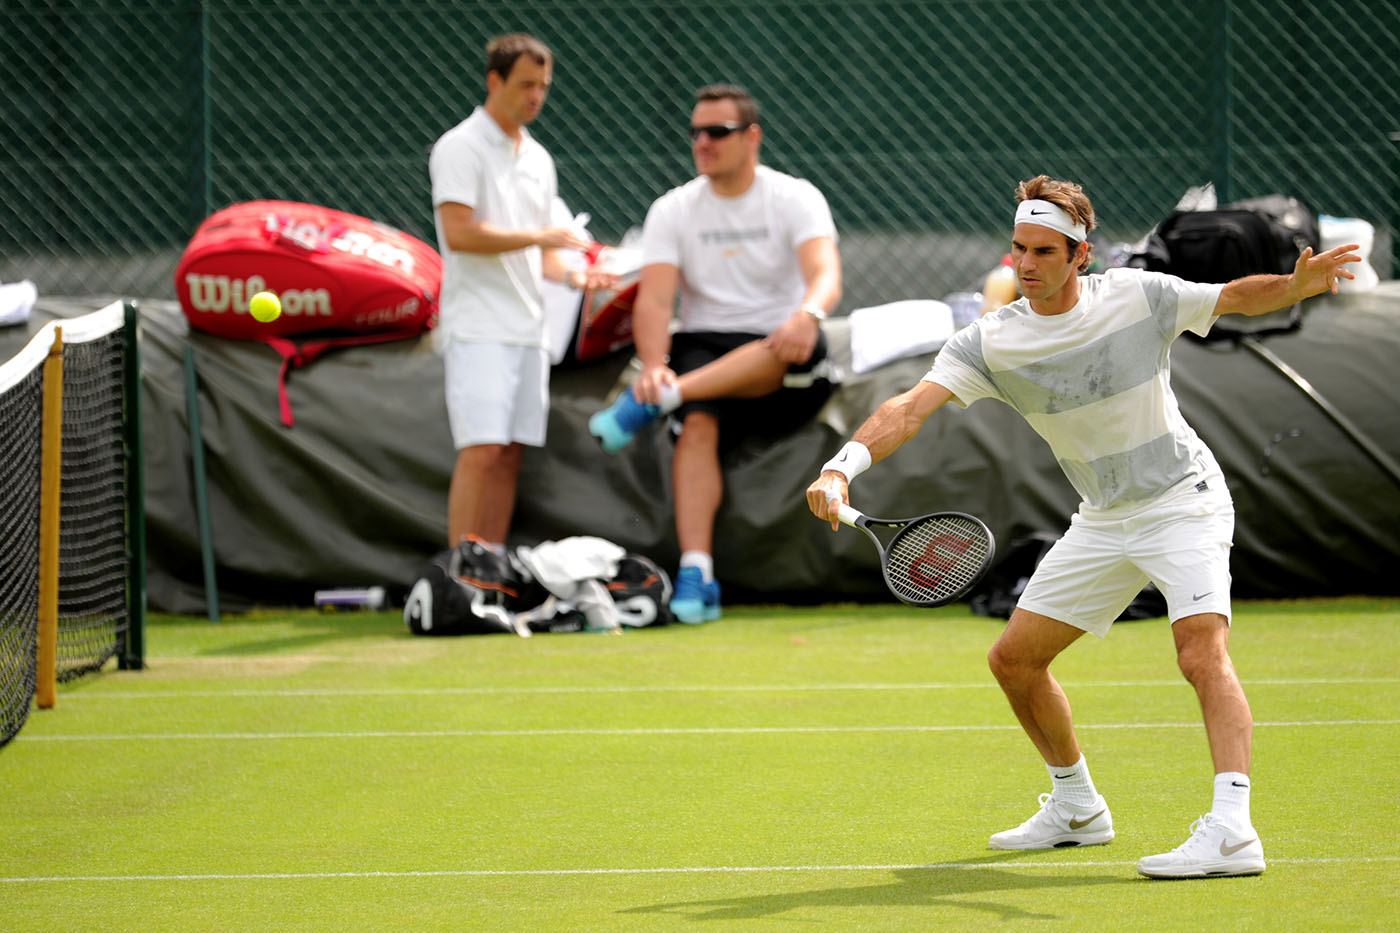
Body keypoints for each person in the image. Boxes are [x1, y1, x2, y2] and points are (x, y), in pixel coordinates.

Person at [807, 175, 1361, 879]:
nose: (1027, 264)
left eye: (1044, 250)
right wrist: (840, 466)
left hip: (1181, 499)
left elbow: (1230, 298)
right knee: (1014, 659)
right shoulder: (992, 340)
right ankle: (1077, 806)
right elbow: (910, 407)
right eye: (1017, 249)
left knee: (1199, 652)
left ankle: (1232, 826)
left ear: (1082, 257)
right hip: (1103, 518)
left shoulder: (1138, 295)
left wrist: (1295, 284)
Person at [588, 84, 842, 624]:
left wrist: (808, 314)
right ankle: (696, 572)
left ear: (753, 136)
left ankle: (665, 398)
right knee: (696, 426)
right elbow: (655, 301)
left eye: (717, 132)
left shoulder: (795, 196)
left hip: (782, 348)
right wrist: (655, 366)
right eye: (695, 132)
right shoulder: (673, 208)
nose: (702, 142)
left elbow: (825, 274)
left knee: (784, 343)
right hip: (705, 345)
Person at [429, 34, 613, 552]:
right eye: (526, 84)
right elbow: (460, 234)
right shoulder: (459, 147)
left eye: (544, 86)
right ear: (495, 81)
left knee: (509, 453)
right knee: (482, 450)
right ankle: (460, 575)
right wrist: (542, 238)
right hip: (478, 328)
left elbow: (548, 257)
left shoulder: (538, 157)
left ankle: (492, 572)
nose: (536, 96)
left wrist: (582, 278)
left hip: (531, 332)